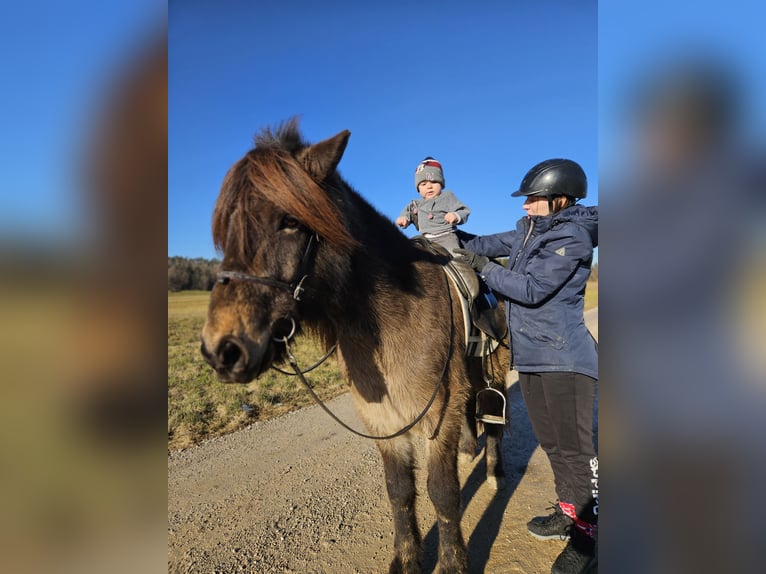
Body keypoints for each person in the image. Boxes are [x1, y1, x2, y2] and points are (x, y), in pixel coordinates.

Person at [454, 158, 599, 574]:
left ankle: (590, 538)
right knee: (552, 444)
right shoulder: (527, 231)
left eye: (533, 199)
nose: (525, 206)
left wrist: (485, 271)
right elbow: (481, 244)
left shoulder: (571, 237)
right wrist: (447, 236)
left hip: (565, 359)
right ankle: (569, 511)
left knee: (577, 451)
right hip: (532, 357)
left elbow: (531, 290)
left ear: (560, 199)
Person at [396, 157, 470, 253]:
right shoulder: (415, 204)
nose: (429, 186)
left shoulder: (447, 197)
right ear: (418, 188)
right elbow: (408, 213)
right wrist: (403, 219)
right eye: (423, 184)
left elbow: (463, 210)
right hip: (425, 240)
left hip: (446, 237)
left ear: (441, 184)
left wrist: (456, 216)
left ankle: (464, 267)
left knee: (454, 257)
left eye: (434, 182)